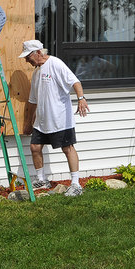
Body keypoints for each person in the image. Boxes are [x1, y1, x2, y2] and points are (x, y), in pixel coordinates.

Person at [19, 40, 89, 196]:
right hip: (41, 121)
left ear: (38, 52)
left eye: (28, 56)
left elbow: (75, 82)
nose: (26, 60)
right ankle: (41, 180)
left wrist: (81, 98)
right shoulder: (36, 72)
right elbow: (32, 101)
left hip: (60, 118)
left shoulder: (56, 64)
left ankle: (76, 184)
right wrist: (28, 123)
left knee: (67, 148)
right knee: (35, 147)